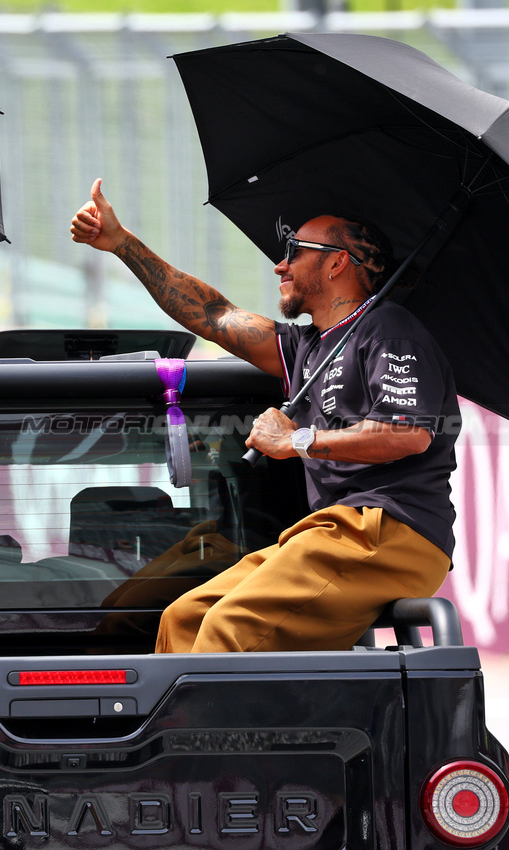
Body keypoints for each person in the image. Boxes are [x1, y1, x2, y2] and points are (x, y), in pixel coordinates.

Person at [71, 179, 458, 653]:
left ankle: (220, 730)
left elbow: (408, 433)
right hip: (331, 530)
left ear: (338, 262)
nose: (280, 264)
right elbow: (213, 314)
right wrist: (121, 243)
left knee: (225, 629)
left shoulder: (389, 327)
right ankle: (176, 730)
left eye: (295, 250)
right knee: (183, 618)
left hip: (390, 528)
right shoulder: (306, 346)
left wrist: (299, 441)